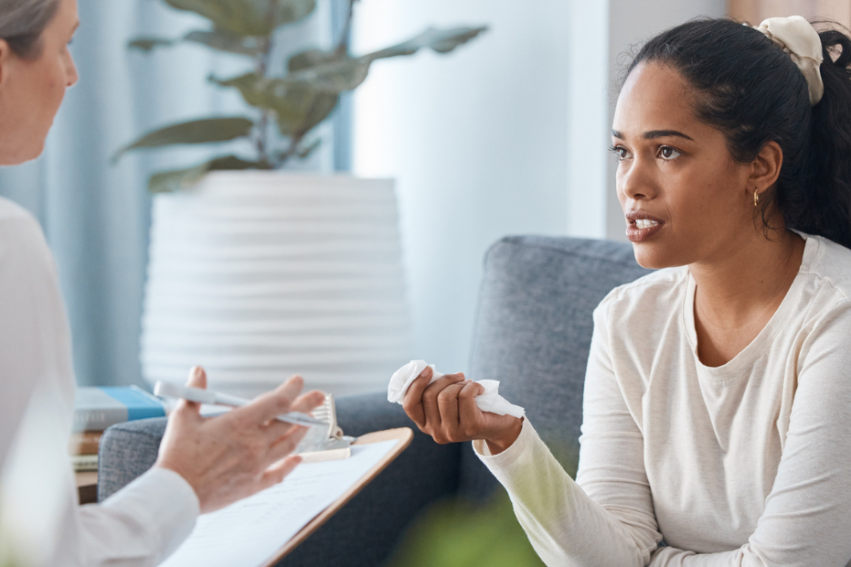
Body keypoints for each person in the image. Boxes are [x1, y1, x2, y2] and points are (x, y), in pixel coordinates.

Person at [403, 15, 851, 566]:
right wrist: (510, 442)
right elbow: (607, 555)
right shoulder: (627, 320)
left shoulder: (837, 319)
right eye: (622, 151)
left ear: (759, 167)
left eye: (667, 152)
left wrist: (653, 562)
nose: (632, 184)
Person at [0, 0, 326, 565]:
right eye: (64, 45)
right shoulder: (8, 241)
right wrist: (183, 483)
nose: (72, 74)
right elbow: (37, 554)